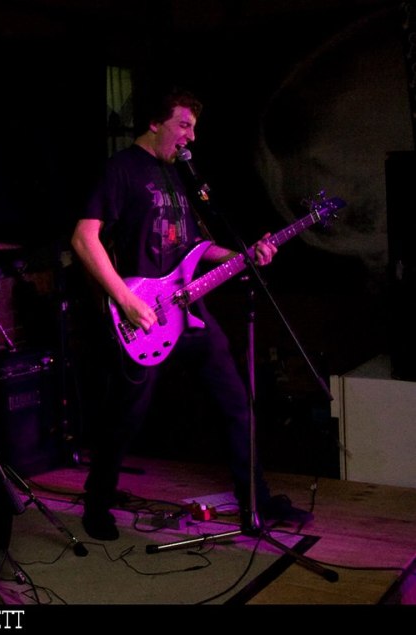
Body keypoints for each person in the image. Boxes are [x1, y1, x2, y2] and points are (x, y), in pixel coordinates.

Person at [70, 87, 308, 541]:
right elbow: (84, 238)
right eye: (183, 125)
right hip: (143, 314)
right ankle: (97, 502)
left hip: (189, 311)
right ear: (154, 123)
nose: (190, 137)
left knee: (236, 402)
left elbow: (196, 247)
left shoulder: (180, 176)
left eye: (194, 128)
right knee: (126, 416)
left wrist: (243, 255)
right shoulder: (121, 169)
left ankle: (255, 501)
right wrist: (125, 300)